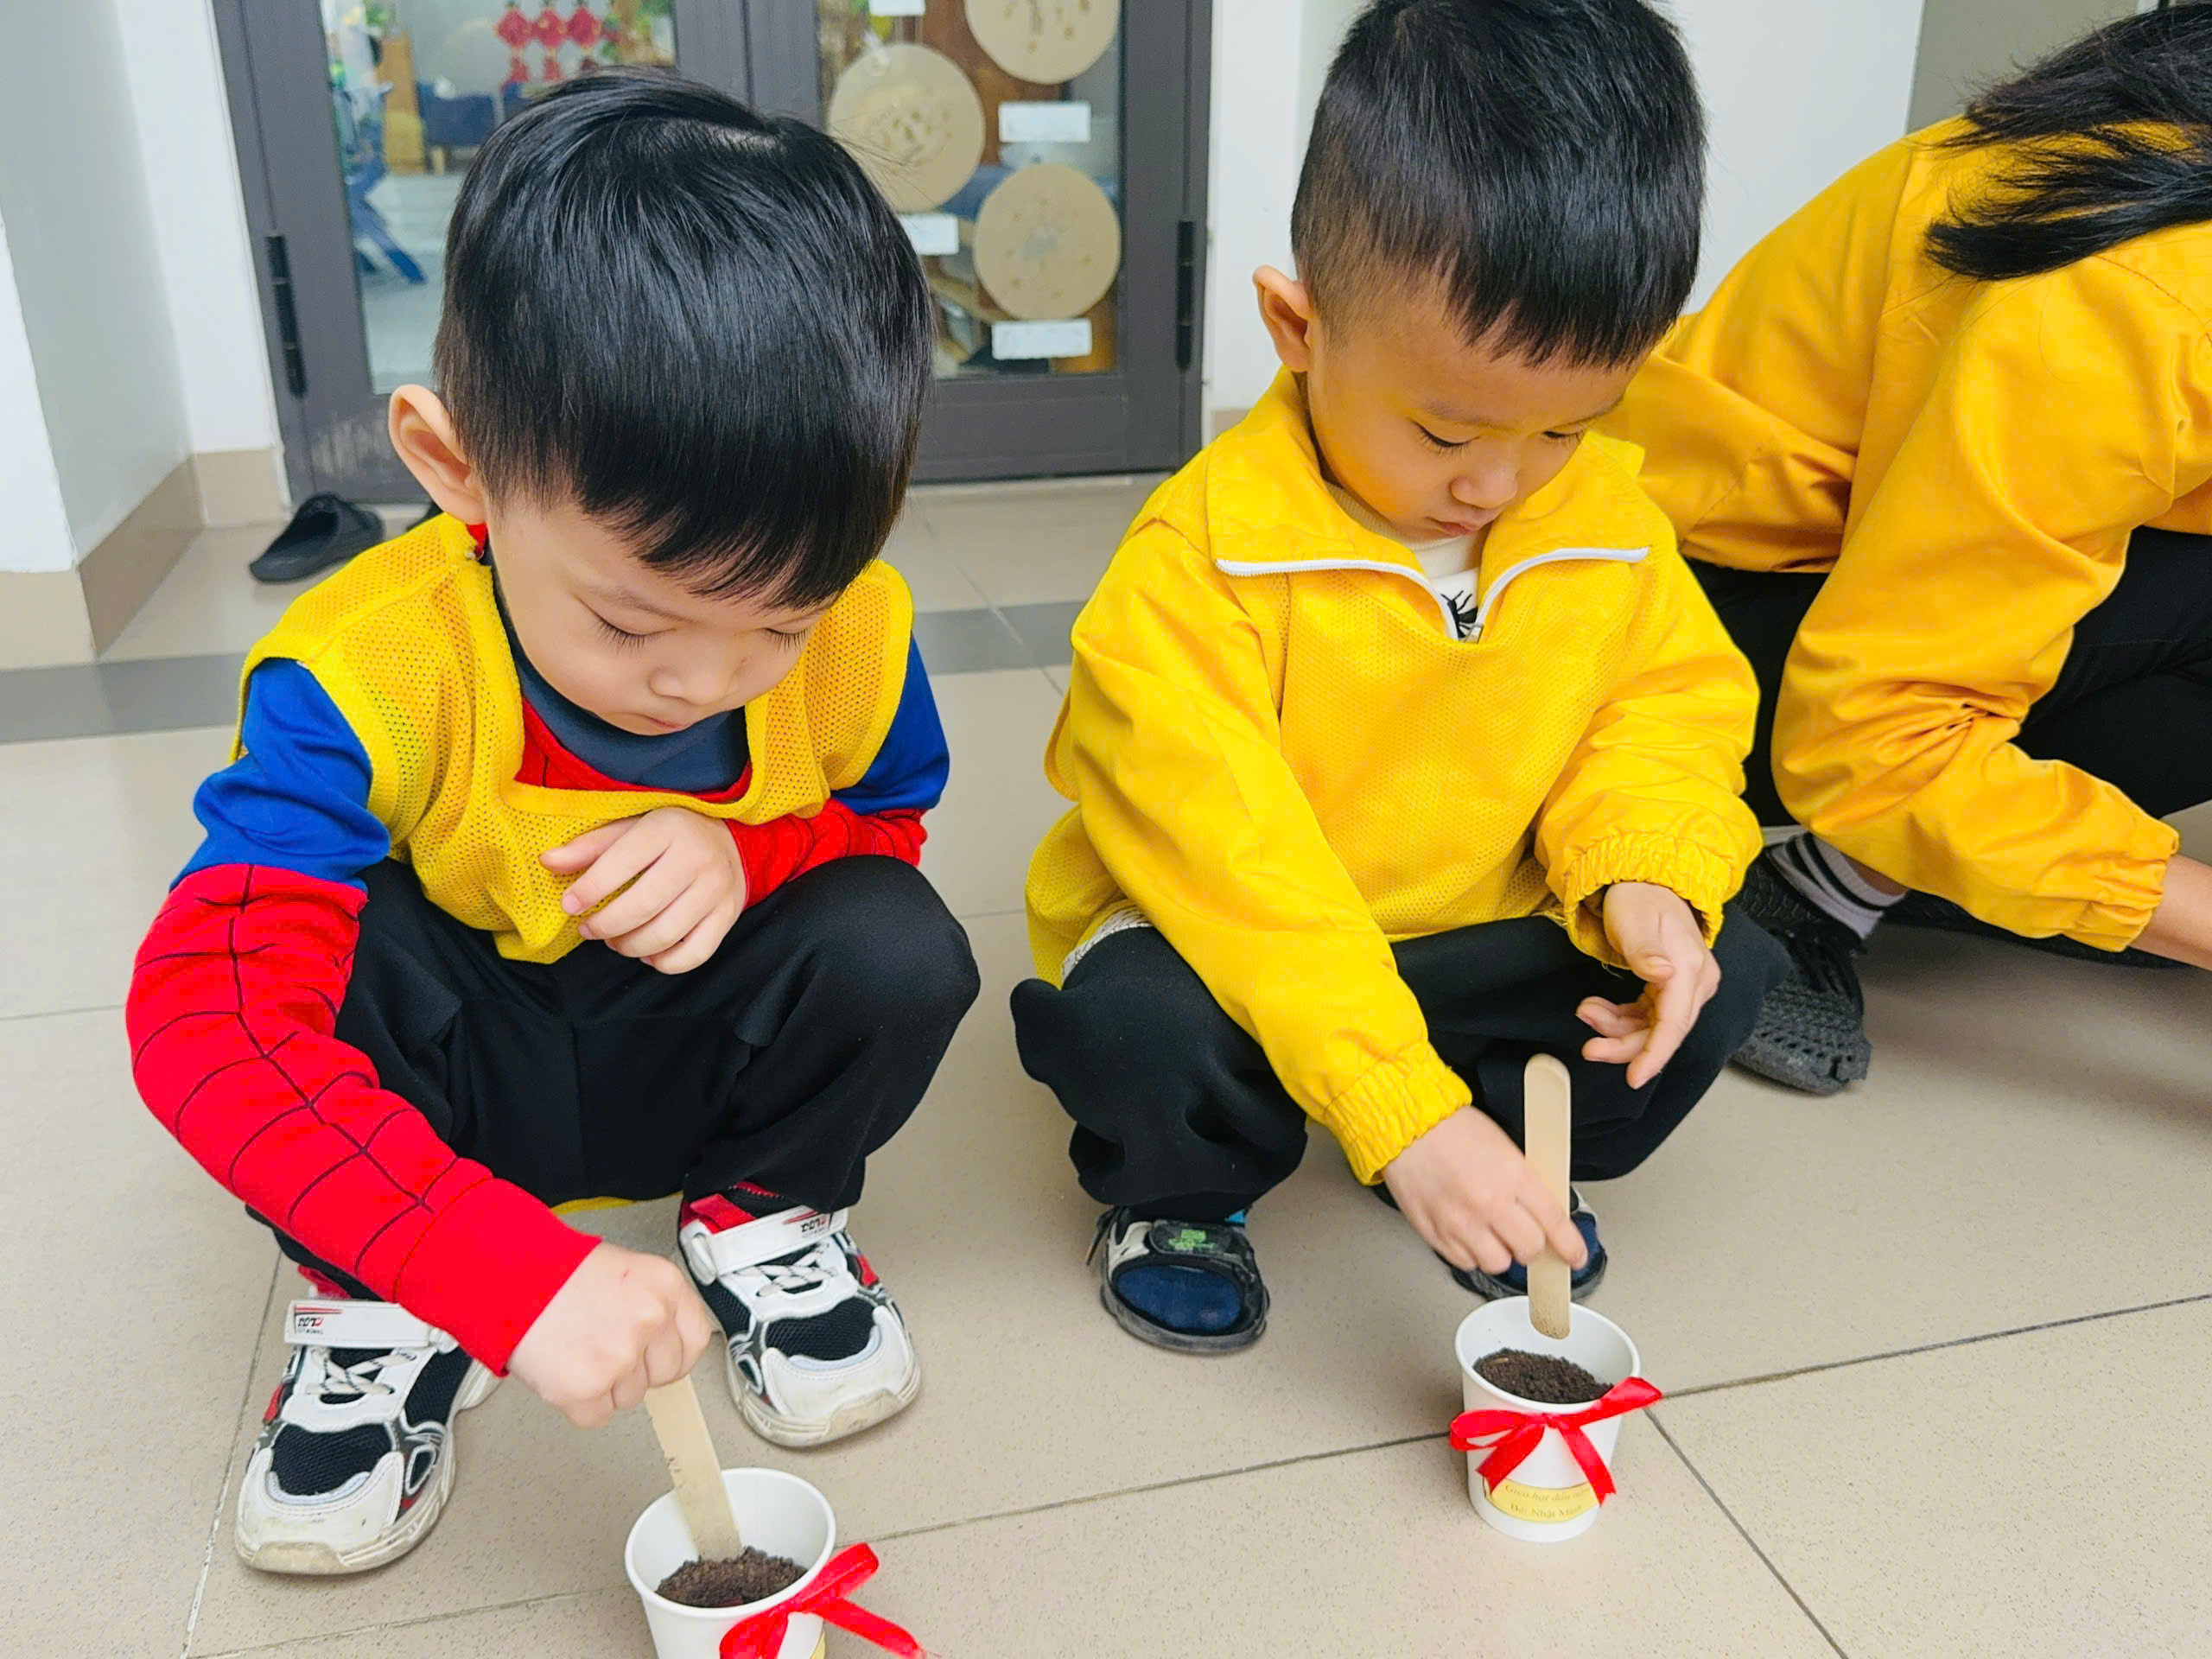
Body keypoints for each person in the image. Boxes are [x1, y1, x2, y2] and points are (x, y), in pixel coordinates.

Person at [124, 72, 979, 1575]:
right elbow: (212, 1019)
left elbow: (887, 826)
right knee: (325, 951)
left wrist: (747, 855)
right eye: (633, 621)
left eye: (781, 622)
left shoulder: (863, 630)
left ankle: (761, 1213)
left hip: (681, 1049)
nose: (706, 682)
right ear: (458, 467)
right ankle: (383, 1303)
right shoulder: (365, 670)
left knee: (898, 944)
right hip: (453, 1090)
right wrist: (486, 1269)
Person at [1008, 0, 1785, 1355]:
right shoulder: (1196, 565)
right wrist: (1396, 1110)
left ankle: (1487, 1138)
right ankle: (1185, 1195)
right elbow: (1239, 868)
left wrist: (1645, 875)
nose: (1500, 483)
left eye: (1567, 428)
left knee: (1719, 968)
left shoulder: (1605, 518)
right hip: (1241, 935)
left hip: (1465, 924)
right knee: (1137, 1025)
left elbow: (1665, 706)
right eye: (1445, 431)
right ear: (1297, 326)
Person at [1609, 6, 2212, 1096]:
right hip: (1676, 638)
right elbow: (1871, 738)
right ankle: (1822, 891)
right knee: (1900, 755)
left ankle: (1969, 860)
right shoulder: (2142, 282)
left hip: (1863, 571)